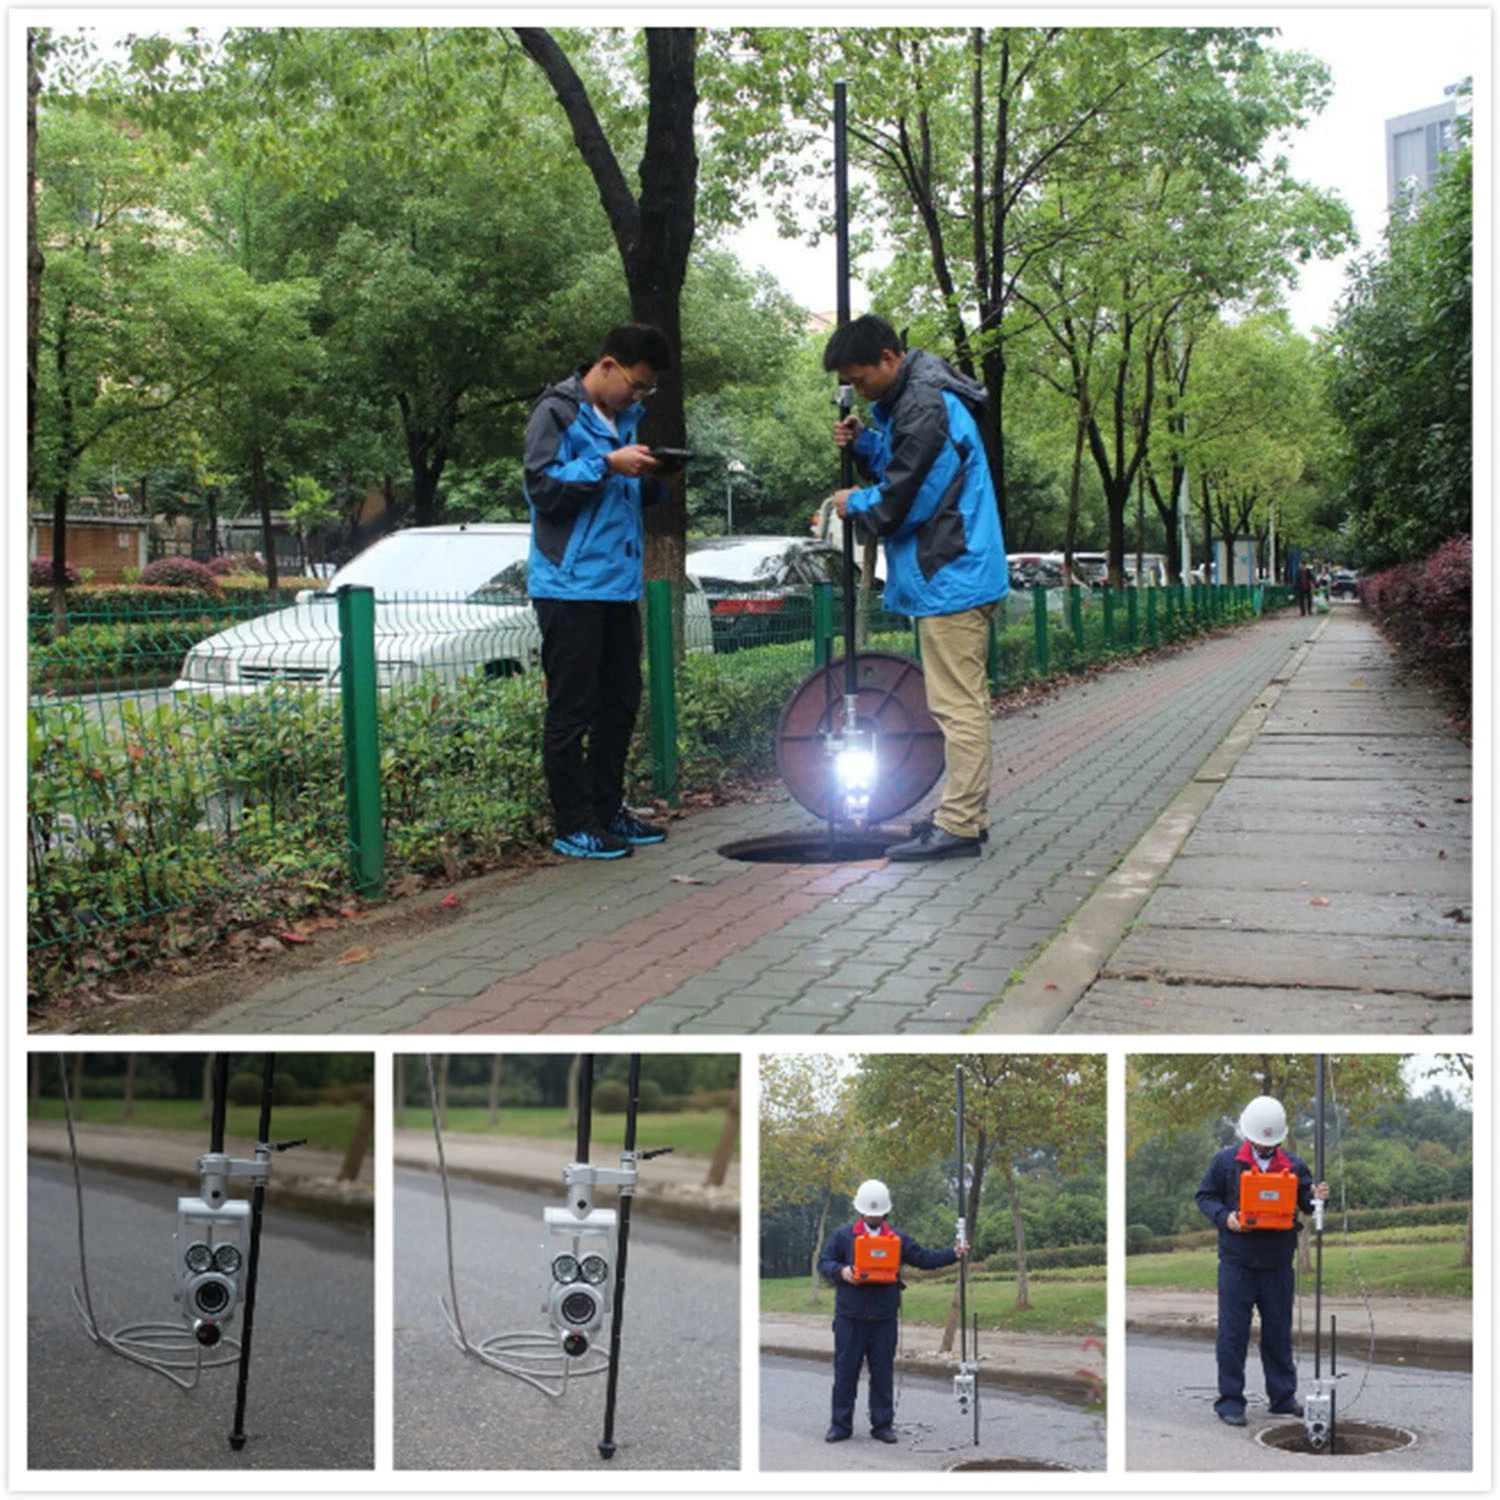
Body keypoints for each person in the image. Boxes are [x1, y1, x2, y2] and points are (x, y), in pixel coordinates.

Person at [825, 315, 1009, 861]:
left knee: (958, 706)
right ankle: (965, 814)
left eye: (861, 380)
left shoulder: (926, 407)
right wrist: (868, 446)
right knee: (960, 701)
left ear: (889, 359)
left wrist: (853, 502)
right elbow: (912, 465)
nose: (859, 391)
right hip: (953, 571)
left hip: (952, 573)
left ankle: (959, 824)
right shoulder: (922, 404)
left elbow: (910, 498)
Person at [523, 323, 672, 860]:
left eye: (647, 390)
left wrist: (655, 478)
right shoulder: (557, 412)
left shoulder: (627, 418)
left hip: (617, 585)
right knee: (572, 707)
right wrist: (608, 464)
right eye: (636, 384)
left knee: (619, 703)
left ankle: (609, 810)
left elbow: (623, 499)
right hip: (569, 585)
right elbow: (542, 488)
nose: (639, 396)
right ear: (607, 365)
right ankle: (573, 822)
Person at [1195, 1094, 1330, 1427]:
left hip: (1278, 1265)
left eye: (1270, 1143)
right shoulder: (1226, 1163)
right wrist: (1225, 1217)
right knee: (1232, 1334)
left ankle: (1282, 1398)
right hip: (1236, 1264)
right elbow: (1205, 1196)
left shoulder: (1295, 1166)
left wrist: (1317, 1199)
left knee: (1278, 1333)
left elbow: (1308, 1206)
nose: (1265, 1147)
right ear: (1247, 1135)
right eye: (1259, 1141)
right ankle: (1230, 1401)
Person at [817, 1177, 968, 1444]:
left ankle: (882, 1425)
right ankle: (840, 1425)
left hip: (884, 1318)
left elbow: (923, 1258)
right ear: (860, 1211)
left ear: (885, 1212)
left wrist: (953, 1254)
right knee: (845, 1372)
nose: (873, 1218)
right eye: (868, 1213)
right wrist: (841, 1271)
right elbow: (824, 1262)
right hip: (849, 1317)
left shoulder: (898, 1238)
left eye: (877, 1214)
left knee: (883, 1373)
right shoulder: (843, 1236)